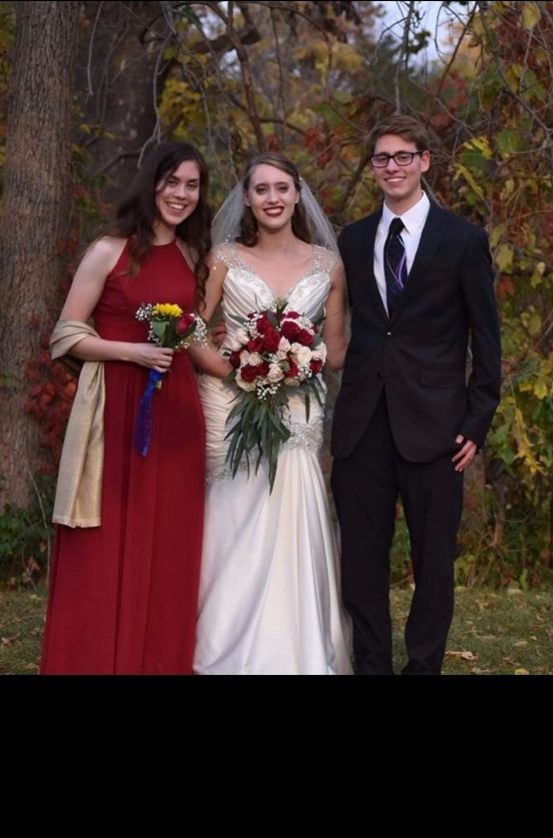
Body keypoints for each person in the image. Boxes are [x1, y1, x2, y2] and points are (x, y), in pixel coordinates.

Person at [331, 114, 501, 675]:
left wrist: (476, 424)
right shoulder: (352, 240)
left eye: (404, 156)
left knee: (433, 563)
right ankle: (372, 664)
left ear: (425, 161)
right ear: (373, 168)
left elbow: (487, 340)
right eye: (382, 158)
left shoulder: (464, 240)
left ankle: (423, 666)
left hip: (437, 428)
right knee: (361, 561)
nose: (393, 167)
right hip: (362, 426)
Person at [40, 141, 211, 675]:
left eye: (192, 185)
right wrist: (129, 351)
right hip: (116, 412)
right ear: (151, 183)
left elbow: (192, 333)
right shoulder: (109, 250)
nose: (181, 194)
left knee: (168, 545)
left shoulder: (190, 255)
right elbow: (65, 334)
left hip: (177, 412)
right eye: (172, 182)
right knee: (107, 540)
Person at [191, 153, 352, 675]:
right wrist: (240, 368)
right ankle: (220, 645)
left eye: (283, 187)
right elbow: (192, 329)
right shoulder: (223, 257)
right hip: (231, 394)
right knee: (236, 508)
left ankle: (293, 647)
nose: (273, 198)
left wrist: (297, 365)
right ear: (248, 199)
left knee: (293, 501)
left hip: (300, 403)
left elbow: (336, 348)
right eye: (262, 190)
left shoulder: (328, 264)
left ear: (299, 194)